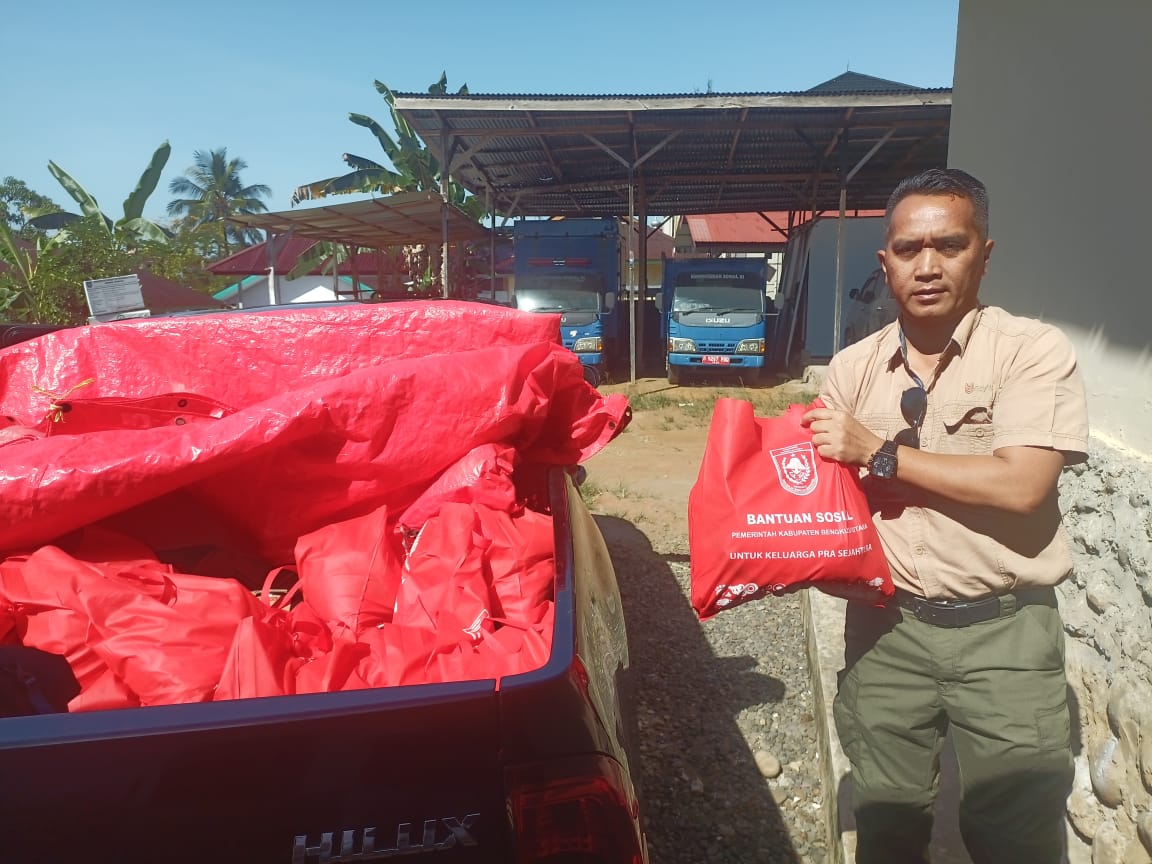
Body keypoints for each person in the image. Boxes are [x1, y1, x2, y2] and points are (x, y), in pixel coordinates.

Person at [803, 167, 1089, 864]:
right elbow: (824, 501)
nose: (927, 266)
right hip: (886, 630)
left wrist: (880, 454)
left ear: (984, 253)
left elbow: (1022, 485)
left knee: (1013, 836)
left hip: (1006, 633)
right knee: (887, 819)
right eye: (908, 249)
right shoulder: (852, 369)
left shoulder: (1031, 352)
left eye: (950, 246)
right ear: (885, 262)